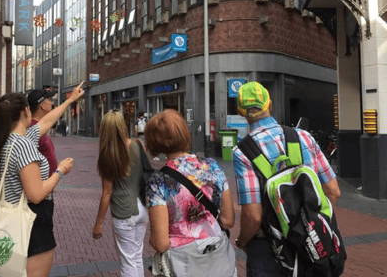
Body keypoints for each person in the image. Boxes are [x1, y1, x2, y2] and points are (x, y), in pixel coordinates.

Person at [232, 82, 341, 276]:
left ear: (240, 112)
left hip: (268, 248)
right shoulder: (304, 137)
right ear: (270, 105)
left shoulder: (242, 153)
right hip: (311, 243)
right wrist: (312, 224)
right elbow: (333, 191)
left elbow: (254, 216)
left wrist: (242, 241)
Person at [0, 84, 84, 277]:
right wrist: (60, 171)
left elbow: (46, 121)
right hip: (32, 221)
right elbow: (36, 194)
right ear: (25, 111)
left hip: (16, 217)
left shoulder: (11, 139)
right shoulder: (23, 145)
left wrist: (70, 100)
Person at [144, 109, 236, 276]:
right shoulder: (213, 167)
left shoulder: (158, 182)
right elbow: (228, 221)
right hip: (218, 259)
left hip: (183, 264)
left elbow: (161, 243)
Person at [92, 110, 149, 277]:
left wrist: (98, 223)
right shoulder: (138, 145)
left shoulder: (107, 155)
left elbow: (107, 193)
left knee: (127, 262)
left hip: (123, 212)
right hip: (142, 208)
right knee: (136, 257)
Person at [28, 89, 58, 177]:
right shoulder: (33, 129)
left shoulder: (39, 127)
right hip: (41, 186)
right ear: (43, 105)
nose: (52, 103)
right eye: (49, 99)